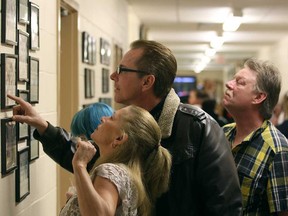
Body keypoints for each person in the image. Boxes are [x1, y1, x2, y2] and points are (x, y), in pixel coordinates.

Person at [8, 39, 242, 215]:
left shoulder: (197, 127)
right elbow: (92, 155)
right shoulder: (125, 126)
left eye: (122, 70)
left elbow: (225, 205)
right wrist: (43, 126)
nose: (113, 76)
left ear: (147, 81)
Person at [60, 105, 172, 215]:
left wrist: (79, 164)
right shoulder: (125, 173)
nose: (103, 118)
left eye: (112, 117)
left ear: (119, 139)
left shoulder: (110, 170)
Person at [222, 58, 288, 215]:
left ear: (258, 97)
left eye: (240, 82)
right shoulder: (222, 133)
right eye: (233, 79)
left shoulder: (277, 149)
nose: (229, 84)